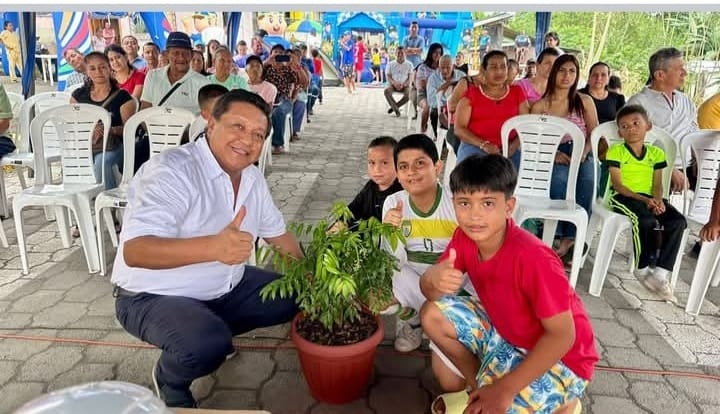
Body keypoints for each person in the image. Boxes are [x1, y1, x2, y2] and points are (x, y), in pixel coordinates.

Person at [112, 89, 301, 408]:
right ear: (211, 123)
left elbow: (280, 237)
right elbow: (136, 251)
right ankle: (170, 378)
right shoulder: (171, 170)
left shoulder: (252, 178)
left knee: (298, 293)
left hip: (224, 287)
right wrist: (213, 248)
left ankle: (210, 326)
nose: (247, 140)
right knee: (205, 344)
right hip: (152, 296)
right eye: (238, 126)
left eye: (258, 134)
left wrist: (317, 282)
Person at [420, 154, 598, 414]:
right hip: (507, 333)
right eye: (464, 203)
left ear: (509, 206)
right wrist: (431, 278)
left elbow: (563, 336)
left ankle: (566, 403)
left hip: (563, 360)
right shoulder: (464, 237)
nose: (475, 215)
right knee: (431, 314)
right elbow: (431, 292)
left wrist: (505, 389)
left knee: (499, 402)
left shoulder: (534, 258)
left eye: (488, 203)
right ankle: (480, 391)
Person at [382, 134, 457, 353]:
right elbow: (393, 260)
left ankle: (434, 320)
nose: (411, 172)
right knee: (377, 288)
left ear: (438, 167)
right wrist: (390, 232)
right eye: (403, 167)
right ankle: (413, 319)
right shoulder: (393, 202)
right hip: (412, 278)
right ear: (397, 174)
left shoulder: (454, 202)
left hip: (448, 279)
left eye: (420, 164)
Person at [606, 105, 687, 301]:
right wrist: (645, 200)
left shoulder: (656, 153)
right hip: (623, 197)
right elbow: (618, 185)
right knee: (644, 220)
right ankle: (642, 269)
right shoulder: (616, 151)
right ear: (620, 132)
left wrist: (658, 201)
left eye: (636, 123)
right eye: (624, 126)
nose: (631, 129)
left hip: (650, 198)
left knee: (677, 222)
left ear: (648, 126)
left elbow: (657, 184)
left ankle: (660, 274)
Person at [530, 54, 598, 261]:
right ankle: (555, 233)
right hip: (553, 152)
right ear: (553, 73)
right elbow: (533, 138)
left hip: (582, 149)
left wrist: (584, 152)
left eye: (572, 71)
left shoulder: (584, 101)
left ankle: (572, 238)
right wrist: (553, 154)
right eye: (562, 70)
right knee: (559, 179)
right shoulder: (541, 105)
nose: (567, 75)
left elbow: (594, 133)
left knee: (588, 178)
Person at [628, 47, 698, 193]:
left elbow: (694, 133)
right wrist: (669, 169)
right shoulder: (639, 103)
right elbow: (633, 143)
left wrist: (698, 158)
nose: (685, 73)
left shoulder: (686, 101)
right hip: (653, 170)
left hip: (688, 170)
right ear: (660, 75)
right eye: (679, 69)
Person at [70, 52, 135, 192]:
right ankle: (81, 197)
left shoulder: (122, 97)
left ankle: (107, 199)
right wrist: (90, 129)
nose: (98, 72)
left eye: (102, 67)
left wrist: (109, 130)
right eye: (92, 68)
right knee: (71, 160)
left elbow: (130, 130)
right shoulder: (78, 96)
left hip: (115, 146)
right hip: (85, 145)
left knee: (102, 161)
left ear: (109, 68)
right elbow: (72, 125)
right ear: (87, 71)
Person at [455, 50, 529, 168]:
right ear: (484, 70)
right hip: (475, 146)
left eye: (503, 67)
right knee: (471, 175)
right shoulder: (472, 94)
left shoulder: (517, 92)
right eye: (493, 67)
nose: (499, 71)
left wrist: (514, 145)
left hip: (509, 149)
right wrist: (484, 145)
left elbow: (525, 124)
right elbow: (459, 129)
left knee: (521, 175)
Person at [579, 62, 626, 195]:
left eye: (603, 75)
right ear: (589, 77)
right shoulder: (579, 96)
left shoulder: (617, 98)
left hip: (610, 142)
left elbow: (623, 120)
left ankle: (603, 195)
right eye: (595, 75)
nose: (599, 78)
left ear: (608, 78)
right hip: (586, 140)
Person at [141, 32, 210, 116]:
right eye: (176, 53)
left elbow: (209, 116)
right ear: (167, 54)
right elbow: (145, 110)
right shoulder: (153, 76)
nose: (181, 58)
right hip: (156, 124)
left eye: (185, 53)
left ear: (191, 55)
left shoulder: (203, 83)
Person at [341, 136, 403, 230]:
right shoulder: (370, 186)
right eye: (372, 162)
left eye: (384, 163)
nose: (376, 169)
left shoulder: (402, 193)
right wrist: (340, 223)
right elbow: (352, 210)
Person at [263, 45, 300, 154]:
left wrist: (294, 65)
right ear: (271, 54)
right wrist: (267, 62)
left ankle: (277, 144)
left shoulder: (288, 70)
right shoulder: (266, 69)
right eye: (275, 52)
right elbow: (255, 77)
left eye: (280, 53)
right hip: (268, 98)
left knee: (278, 112)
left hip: (284, 99)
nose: (278, 55)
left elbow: (299, 82)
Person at [426, 54, 464, 139]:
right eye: (442, 68)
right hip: (442, 109)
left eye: (448, 67)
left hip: (459, 108)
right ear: (438, 67)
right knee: (435, 113)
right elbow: (431, 101)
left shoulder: (462, 76)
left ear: (453, 67)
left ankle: (454, 136)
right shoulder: (433, 79)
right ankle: (443, 140)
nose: (445, 71)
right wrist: (447, 85)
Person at [413, 43, 444, 134]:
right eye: (435, 52)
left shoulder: (442, 69)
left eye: (439, 53)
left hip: (439, 94)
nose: (437, 55)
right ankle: (423, 129)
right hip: (423, 94)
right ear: (430, 53)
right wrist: (437, 85)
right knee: (427, 106)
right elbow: (423, 84)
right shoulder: (422, 67)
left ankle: (438, 133)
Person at [383, 47, 414, 117]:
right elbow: (388, 76)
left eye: (402, 53)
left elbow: (411, 78)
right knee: (386, 91)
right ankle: (396, 110)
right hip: (393, 85)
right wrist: (394, 83)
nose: (400, 55)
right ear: (395, 54)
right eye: (398, 53)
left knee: (410, 94)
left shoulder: (409, 64)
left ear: (405, 54)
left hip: (405, 86)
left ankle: (395, 107)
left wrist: (404, 84)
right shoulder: (390, 64)